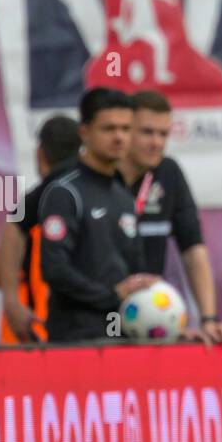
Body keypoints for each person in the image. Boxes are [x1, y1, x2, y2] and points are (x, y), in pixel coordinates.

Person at [38, 87, 158, 343]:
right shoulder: (64, 192)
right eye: (109, 128)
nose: (119, 137)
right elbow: (54, 269)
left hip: (124, 335)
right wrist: (110, 296)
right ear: (85, 132)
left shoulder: (123, 195)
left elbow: (134, 269)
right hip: (76, 339)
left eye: (126, 129)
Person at [118, 90, 222, 347]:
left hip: (148, 320)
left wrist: (208, 320)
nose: (156, 143)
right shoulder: (98, 176)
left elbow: (193, 249)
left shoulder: (168, 172)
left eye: (163, 134)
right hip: (99, 318)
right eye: (147, 132)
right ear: (126, 131)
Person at [0, 115, 81, 342]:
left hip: (30, 335)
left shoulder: (32, 214)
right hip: (64, 336)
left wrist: (13, 292)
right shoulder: (87, 204)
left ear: (40, 154)